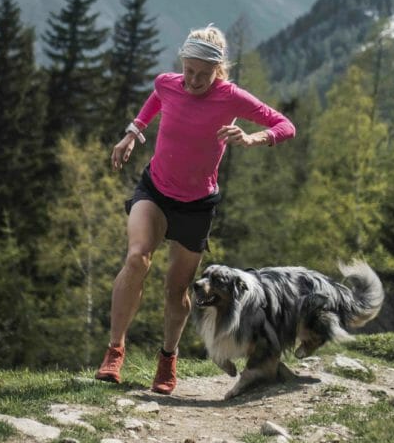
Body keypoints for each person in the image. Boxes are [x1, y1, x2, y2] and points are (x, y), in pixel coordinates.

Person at [95, 24, 296, 395]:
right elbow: (157, 98)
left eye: (203, 74)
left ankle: (167, 358)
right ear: (182, 63)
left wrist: (252, 137)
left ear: (218, 71)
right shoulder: (167, 83)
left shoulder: (231, 97)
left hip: (196, 205)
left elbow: (286, 125)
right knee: (138, 257)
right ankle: (114, 350)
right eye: (188, 71)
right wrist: (132, 133)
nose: (193, 80)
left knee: (177, 290)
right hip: (154, 189)